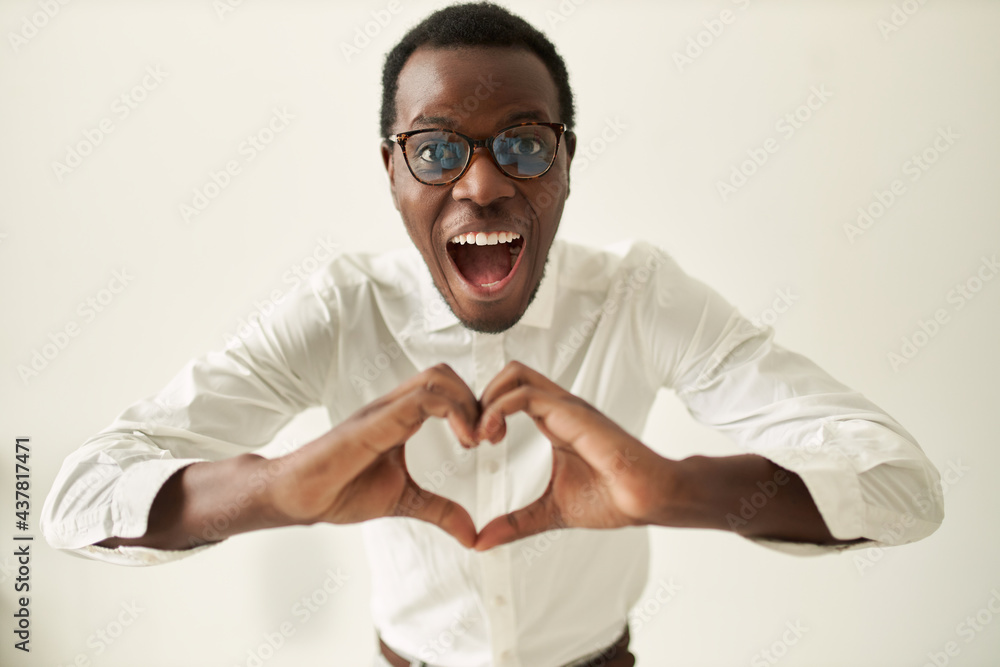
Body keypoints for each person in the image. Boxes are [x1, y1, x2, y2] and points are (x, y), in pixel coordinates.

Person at [41, 3, 945, 666]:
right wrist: (277, 488)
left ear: (565, 161)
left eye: (522, 144)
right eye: (436, 149)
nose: (480, 185)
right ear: (391, 172)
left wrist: (678, 488)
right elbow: (74, 501)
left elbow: (903, 488)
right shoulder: (336, 310)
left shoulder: (639, 293)